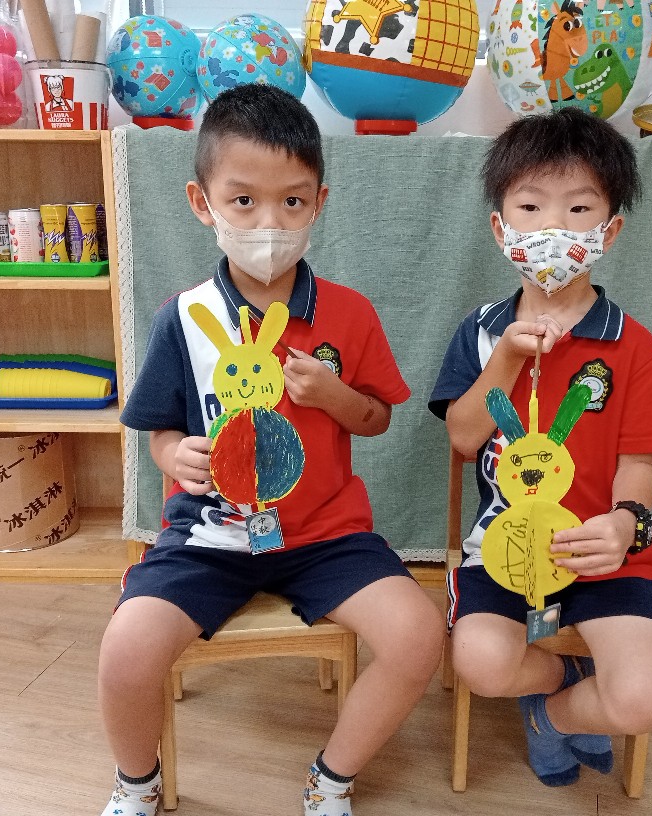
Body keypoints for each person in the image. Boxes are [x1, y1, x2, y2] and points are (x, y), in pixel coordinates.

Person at [98, 83, 444, 816]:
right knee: (126, 649)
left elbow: (378, 419)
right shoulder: (183, 318)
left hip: (327, 535)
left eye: (292, 201)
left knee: (418, 636)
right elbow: (159, 430)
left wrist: (334, 397)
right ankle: (137, 781)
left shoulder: (348, 313)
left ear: (319, 202)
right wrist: (172, 457)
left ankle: (332, 777)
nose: (269, 222)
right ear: (202, 203)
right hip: (209, 536)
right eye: (244, 200)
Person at [428, 107, 652, 787]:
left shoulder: (634, 347)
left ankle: (553, 715)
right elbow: (464, 438)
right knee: (481, 663)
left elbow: (639, 465)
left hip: (606, 561)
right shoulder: (479, 334)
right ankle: (568, 673)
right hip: (507, 553)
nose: (553, 228)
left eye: (578, 209)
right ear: (501, 227)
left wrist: (625, 523)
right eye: (530, 206)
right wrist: (507, 359)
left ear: (610, 229)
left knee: (644, 699)